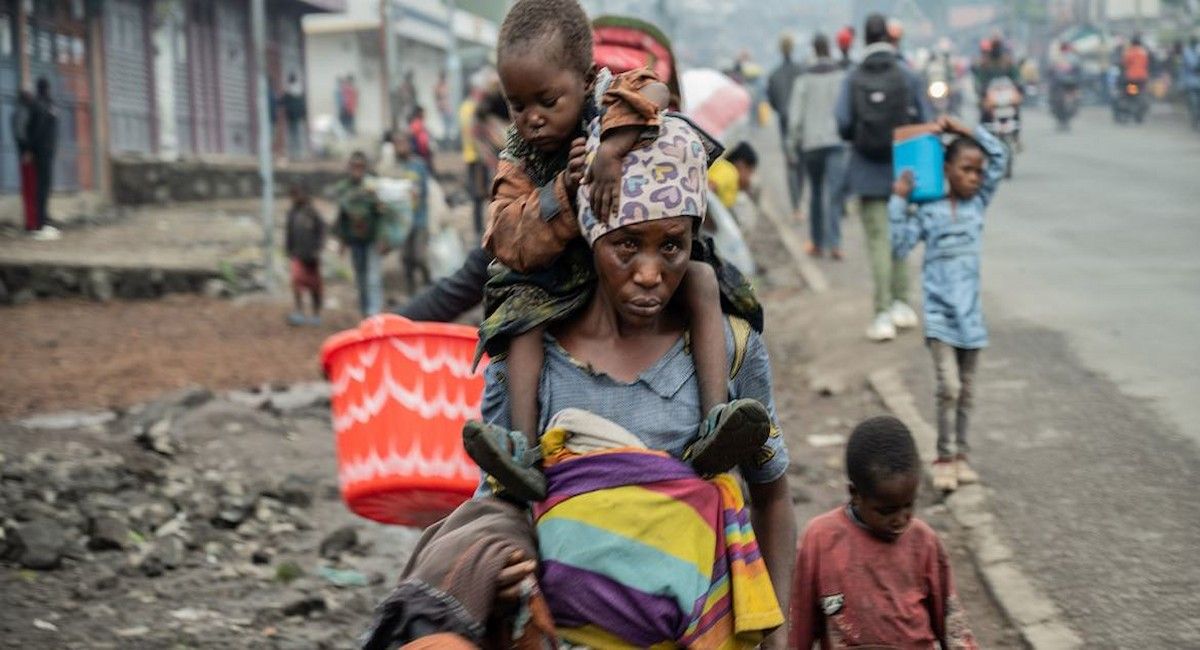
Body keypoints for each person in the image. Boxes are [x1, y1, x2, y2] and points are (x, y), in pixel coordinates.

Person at [363, 106, 796, 650]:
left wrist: (780, 638)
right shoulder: (533, 361)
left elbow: (772, 497)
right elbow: (499, 508)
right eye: (626, 245)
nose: (649, 273)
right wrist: (501, 574)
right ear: (592, 240)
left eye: (672, 246)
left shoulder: (729, 348)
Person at [465, 0, 768, 507]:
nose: (533, 118)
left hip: (631, 248)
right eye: (518, 106)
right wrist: (564, 187)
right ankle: (521, 448)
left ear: (585, 80)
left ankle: (716, 417)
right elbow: (504, 235)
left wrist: (611, 145)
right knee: (520, 318)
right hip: (554, 273)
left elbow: (655, 90)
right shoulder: (519, 154)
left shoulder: (608, 98)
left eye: (546, 101)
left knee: (702, 277)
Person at [889, 116, 1007, 492]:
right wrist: (898, 200)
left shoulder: (978, 205)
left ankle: (961, 457)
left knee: (967, 391)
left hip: (972, 318)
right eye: (966, 169)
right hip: (940, 317)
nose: (975, 177)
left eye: (978, 172)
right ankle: (943, 457)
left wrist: (967, 131)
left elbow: (1000, 155)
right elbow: (899, 247)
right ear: (946, 170)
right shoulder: (929, 210)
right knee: (950, 388)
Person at [789, 416, 978, 649]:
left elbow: (953, 627)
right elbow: (798, 627)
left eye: (908, 505)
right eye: (886, 511)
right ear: (855, 494)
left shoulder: (924, 542)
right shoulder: (820, 540)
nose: (900, 520)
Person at [835, 13, 931, 342]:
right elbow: (925, 120)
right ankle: (903, 303)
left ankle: (882, 313)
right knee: (900, 236)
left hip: (866, 169)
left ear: (864, 38)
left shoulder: (853, 77)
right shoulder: (907, 73)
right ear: (890, 38)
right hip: (903, 169)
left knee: (878, 241)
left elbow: (843, 123)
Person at [787, 32, 848, 259]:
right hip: (835, 141)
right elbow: (845, 112)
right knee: (834, 193)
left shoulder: (804, 79)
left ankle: (817, 242)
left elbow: (795, 119)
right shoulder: (840, 77)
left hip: (811, 144)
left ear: (813, 49)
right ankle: (836, 244)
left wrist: (792, 146)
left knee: (815, 193)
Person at [333, 151, 390, 316]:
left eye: (360, 167)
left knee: (373, 277)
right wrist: (342, 241)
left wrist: (382, 237)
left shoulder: (372, 187)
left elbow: (381, 214)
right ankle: (365, 312)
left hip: (371, 237)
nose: (357, 170)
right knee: (360, 277)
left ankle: (374, 313)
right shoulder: (344, 188)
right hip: (355, 239)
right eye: (354, 167)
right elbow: (342, 216)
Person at [383, 127, 432, 295]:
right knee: (406, 259)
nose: (400, 147)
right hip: (401, 222)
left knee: (419, 256)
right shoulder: (393, 168)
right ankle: (412, 292)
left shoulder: (418, 165)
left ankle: (428, 282)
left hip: (419, 218)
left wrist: (413, 194)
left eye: (402, 143)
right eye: (397, 144)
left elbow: (425, 192)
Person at [767, 34, 805, 218]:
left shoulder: (774, 75)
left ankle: (796, 204)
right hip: (803, 124)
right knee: (801, 162)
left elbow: (772, 101)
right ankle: (799, 198)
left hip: (785, 122)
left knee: (791, 162)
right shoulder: (801, 71)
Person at [284, 182, 326, 326]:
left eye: (297, 194)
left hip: (311, 256)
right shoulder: (292, 213)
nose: (295, 198)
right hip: (297, 254)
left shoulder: (313, 213)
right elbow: (289, 233)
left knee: (314, 286)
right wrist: (289, 250)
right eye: (293, 195)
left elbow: (321, 232)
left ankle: (316, 314)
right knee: (296, 282)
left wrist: (318, 249)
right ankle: (299, 312)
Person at [707, 141, 757, 211]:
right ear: (741, 165)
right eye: (749, 172)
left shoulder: (730, 176)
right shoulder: (730, 172)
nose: (749, 178)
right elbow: (709, 188)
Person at [281, 72, 307, 160]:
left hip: (291, 116)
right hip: (298, 117)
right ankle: (300, 154)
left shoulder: (288, 91)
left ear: (289, 80)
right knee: (298, 135)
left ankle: (293, 154)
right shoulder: (300, 91)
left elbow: (282, 102)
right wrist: (304, 116)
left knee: (292, 135)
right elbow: (303, 105)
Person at [408, 105, 434, 172]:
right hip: (419, 152)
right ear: (419, 113)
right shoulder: (416, 123)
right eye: (423, 112)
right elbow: (412, 136)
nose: (425, 114)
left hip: (424, 151)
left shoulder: (420, 122)